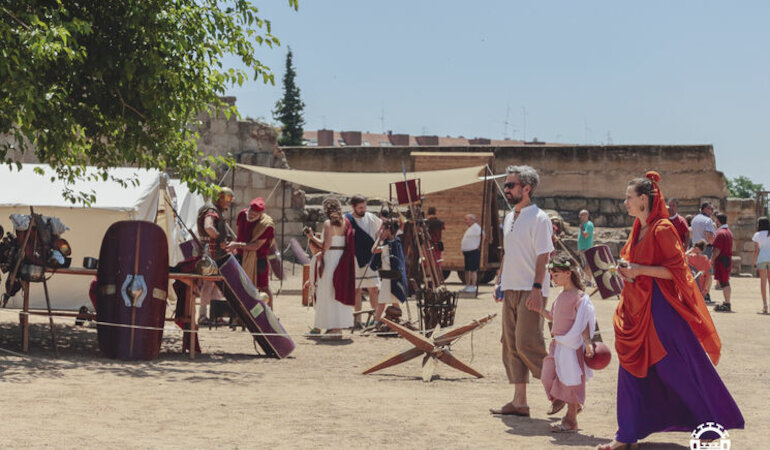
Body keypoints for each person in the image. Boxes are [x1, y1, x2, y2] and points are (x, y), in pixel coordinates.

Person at [599, 172, 743, 450]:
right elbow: (637, 265)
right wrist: (627, 271)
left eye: (629, 198)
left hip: (658, 310)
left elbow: (677, 271)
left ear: (643, 199)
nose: (625, 202)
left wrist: (639, 270)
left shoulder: (662, 228)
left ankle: (710, 431)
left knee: (674, 370)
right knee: (630, 367)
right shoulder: (636, 228)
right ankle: (626, 435)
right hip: (635, 307)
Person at [489, 165, 554, 417]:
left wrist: (537, 289)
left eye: (511, 185)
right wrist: (499, 281)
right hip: (511, 287)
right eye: (506, 185)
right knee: (509, 344)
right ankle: (519, 402)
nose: (506, 189)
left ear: (526, 188)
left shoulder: (540, 218)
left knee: (527, 343)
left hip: (531, 288)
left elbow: (543, 256)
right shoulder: (508, 217)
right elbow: (508, 253)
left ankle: (559, 391)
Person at [537, 252, 596, 433]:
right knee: (546, 376)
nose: (553, 279)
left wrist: (587, 342)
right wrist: (539, 310)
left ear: (568, 273)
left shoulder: (579, 297)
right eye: (552, 276)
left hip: (572, 347)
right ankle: (565, 402)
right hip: (557, 345)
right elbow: (553, 318)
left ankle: (571, 420)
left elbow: (583, 322)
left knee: (571, 382)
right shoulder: (560, 297)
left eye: (556, 275)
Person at [305, 198, 356, 337]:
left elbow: (325, 245)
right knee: (337, 292)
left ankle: (329, 327)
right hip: (342, 258)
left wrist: (312, 237)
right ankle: (335, 326)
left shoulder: (328, 224)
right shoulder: (346, 222)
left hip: (331, 258)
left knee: (326, 292)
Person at [195, 187, 234, 324]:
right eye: (227, 198)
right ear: (219, 197)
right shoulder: (212, 211)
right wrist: (220, 239)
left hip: (213, 251)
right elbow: (208, 227)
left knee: (214, 283)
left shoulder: (213, 210)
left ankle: (215, 315)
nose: (229, 202)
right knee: (209, 283)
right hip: (209, 251)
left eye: (231, 199)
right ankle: (202, 315)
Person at [227, 197, 275, 309]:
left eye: (255, 213)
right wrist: (234, 246)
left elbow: (256, 246)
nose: (251, 215)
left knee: (263, 287)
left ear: (261, 214)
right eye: (251, 211)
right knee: (239, 286)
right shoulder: (242, 215)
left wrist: (237, 244)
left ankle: (269, 313)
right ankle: (241, 312)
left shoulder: (266, 225)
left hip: (259, 259)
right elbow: (240, 233)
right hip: (240, 256)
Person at [345, 195, 383, 327]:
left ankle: (376, 319)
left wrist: (379, 242)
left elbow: (382, 229)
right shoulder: (347, 220)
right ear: (353, 207)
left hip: (370, 258)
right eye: (360, 207)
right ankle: (357, 320)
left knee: (373, 288)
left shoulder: (371, 217)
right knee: (357, 290)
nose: (363, 210)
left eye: (364, 207)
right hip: (355, 259)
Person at [712, 212, 734, 312]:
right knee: (725, 281)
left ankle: (727, 303)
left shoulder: (720, 233)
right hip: (727, 259)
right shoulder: (728, 232)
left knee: (724, 282)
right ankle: (727, 302)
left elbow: (717, 250)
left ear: (718, 221)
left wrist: (711, 260)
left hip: (722, 260)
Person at [460, 214, 484, 293]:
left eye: (467, 219)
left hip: (473, 251)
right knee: (467, 270)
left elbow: (483, 236)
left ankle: (473, 286)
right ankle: (468, 285)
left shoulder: (476, 227)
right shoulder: (470, 228)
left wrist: (479, 245)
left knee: (473, 270)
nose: (465, 221)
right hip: (468, 252)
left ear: (472, 220)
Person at [753, 217, 770, 314]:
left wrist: (754, 262)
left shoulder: (757, 235)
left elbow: (756, 250)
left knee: (763, 282)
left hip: (762, 259)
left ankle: (765, 305)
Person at [577, 209, 594, 286]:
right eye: (580, 215)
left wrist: (581, 228)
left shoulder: (588, 224)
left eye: (582, 215)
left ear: (586, 216)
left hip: (587, 248)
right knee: (585, 265)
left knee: (588, 265)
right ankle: (586, 280)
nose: (580, 217)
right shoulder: (583, 225)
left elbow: (586, 235)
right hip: (582, 248)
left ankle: (589, 281)